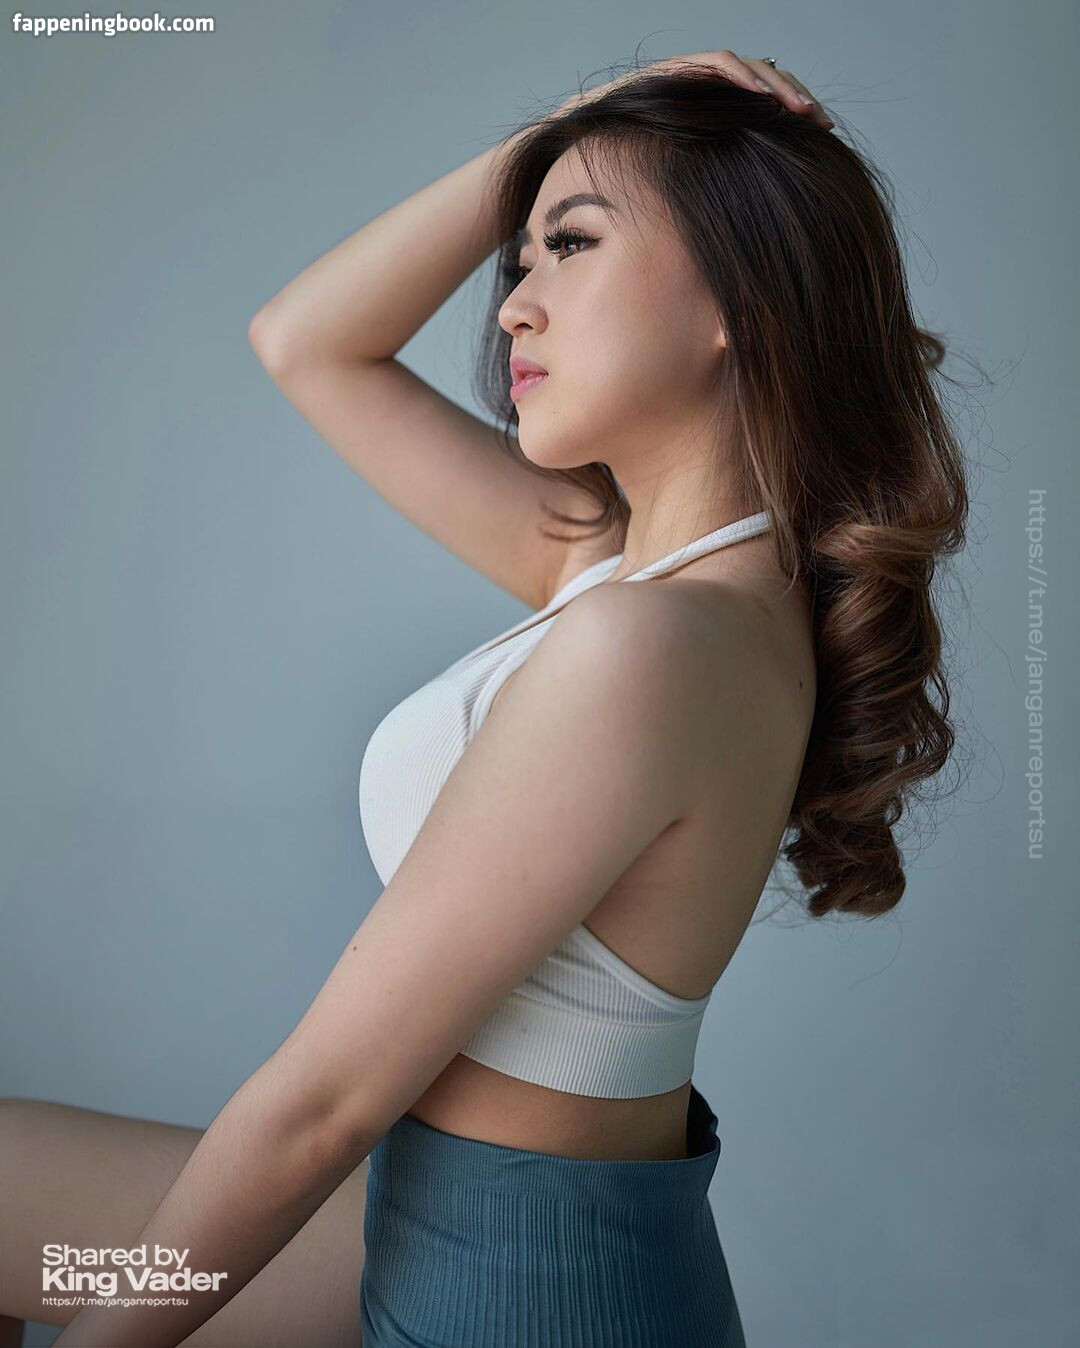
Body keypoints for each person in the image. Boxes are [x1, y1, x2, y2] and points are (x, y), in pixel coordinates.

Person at [0, 49, 969, 1348]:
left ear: (742, 292)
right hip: (438, 1221)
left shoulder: (651, 644)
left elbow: (320, 1107)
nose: (513, 306)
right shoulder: (630, 574)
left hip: (518, 1294)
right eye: (519, 261)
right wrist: (572, 129)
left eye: (571, 245)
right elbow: (306, 341)